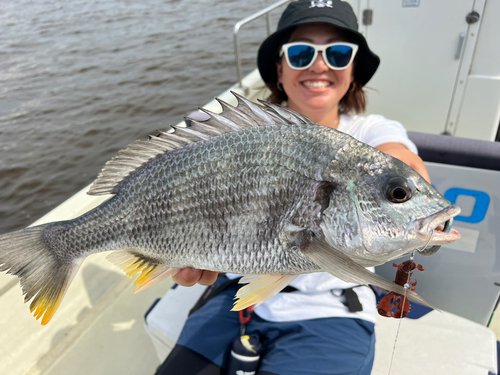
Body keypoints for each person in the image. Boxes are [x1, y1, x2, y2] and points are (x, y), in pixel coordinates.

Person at [155, 1, 430, 374]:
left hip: (331, 309)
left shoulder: (371, 133)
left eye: (337, 53)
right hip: (232, 294)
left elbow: (399, 159)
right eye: (301, 54)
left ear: (352, 70)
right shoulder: (241, 133)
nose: (319, 65)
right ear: (280, 70)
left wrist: (408, 196)